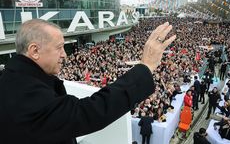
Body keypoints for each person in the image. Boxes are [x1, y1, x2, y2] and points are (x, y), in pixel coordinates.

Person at [0, 19, 176, 144]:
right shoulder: (23, 92)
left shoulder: (15, 79)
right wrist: (145, 67)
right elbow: (88, 112)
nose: (65, 54)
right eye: (59, 47)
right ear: (34, 50)